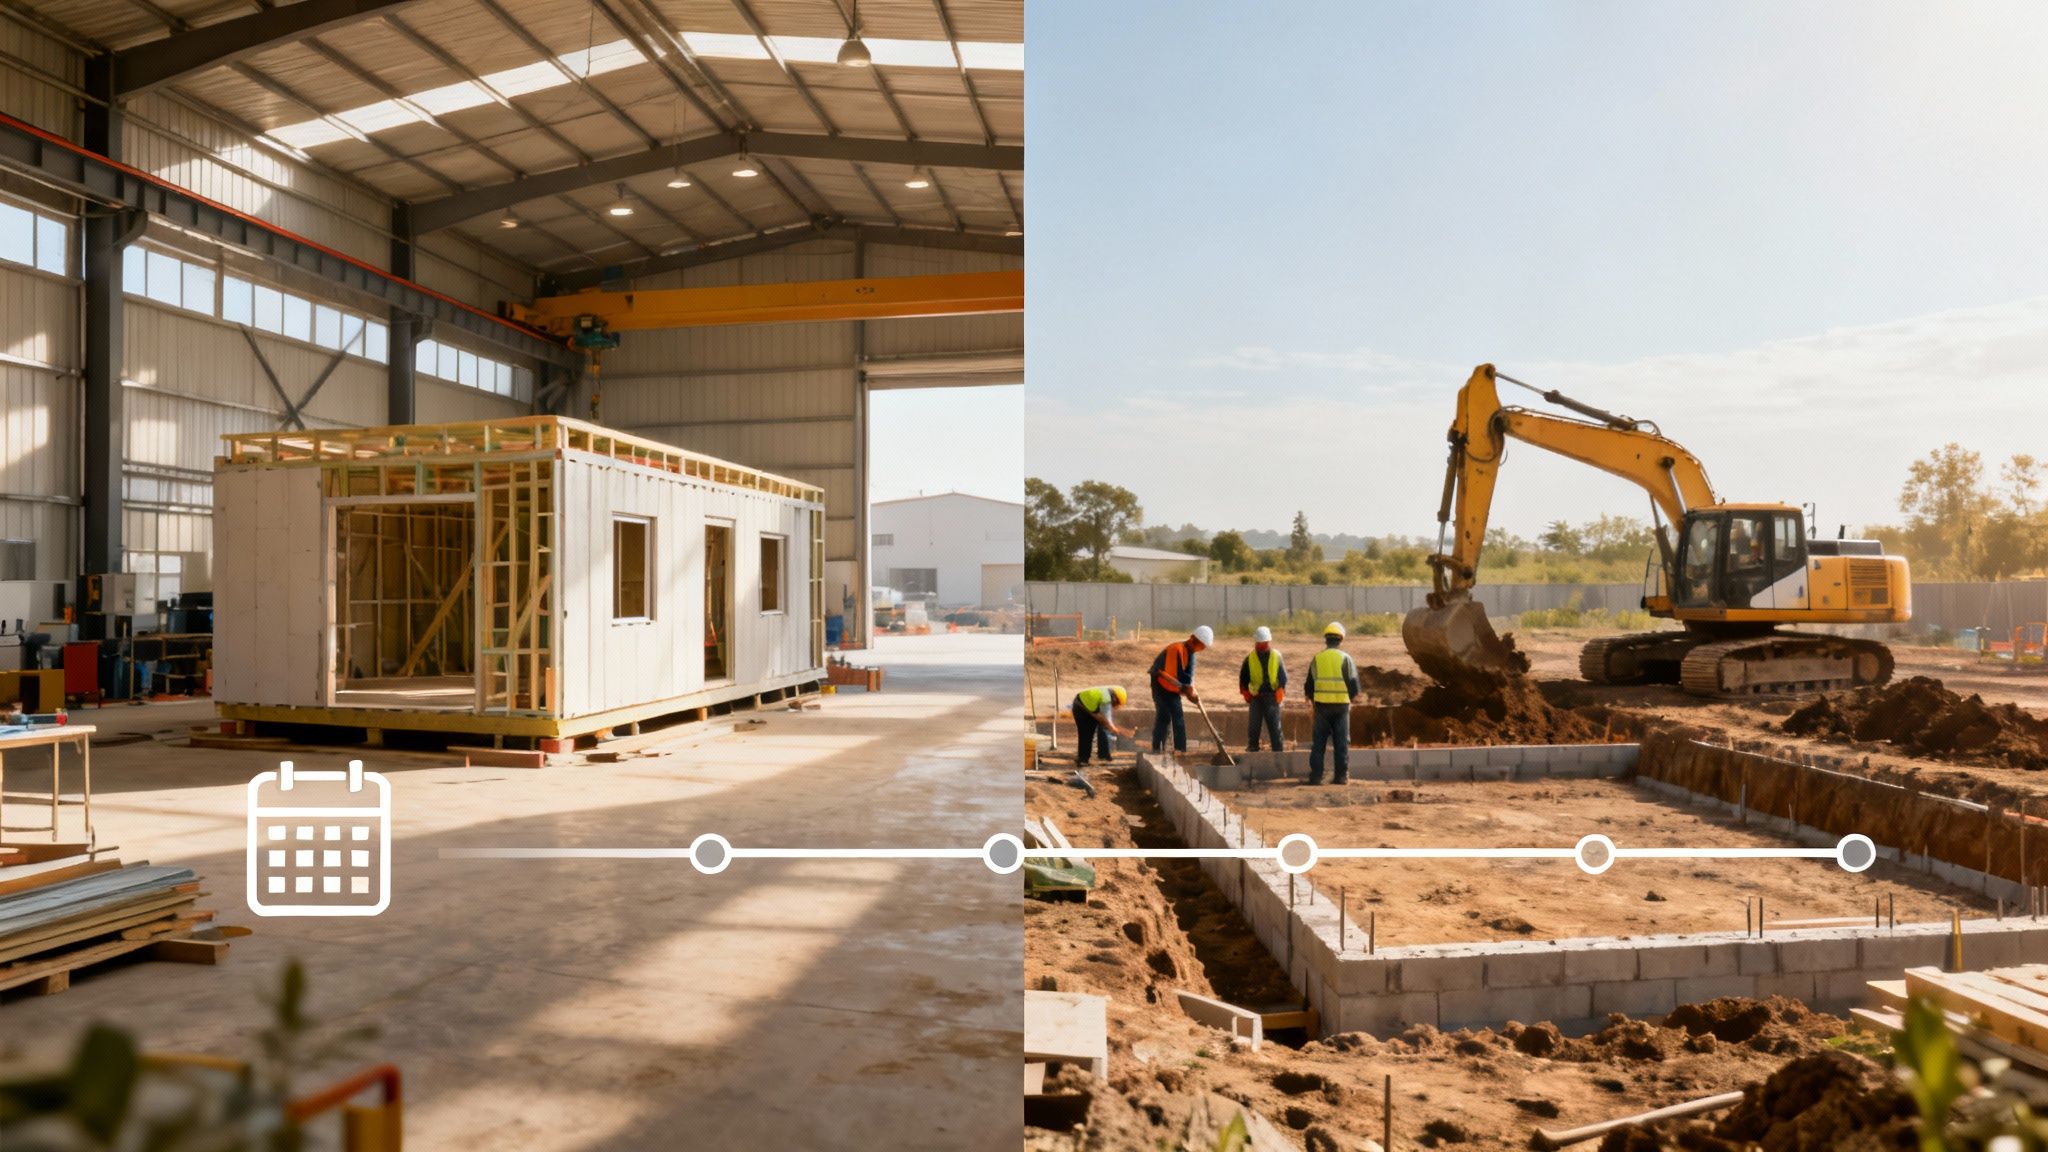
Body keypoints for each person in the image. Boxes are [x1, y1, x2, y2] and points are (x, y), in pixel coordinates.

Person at [1304, 621, 1359, 785]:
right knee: (1341, 743)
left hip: (1321, 707)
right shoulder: (1346, 659)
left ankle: (1315, 777)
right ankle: (1341, 777)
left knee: (1319, 743)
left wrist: (1312, 698)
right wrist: (1349, 698)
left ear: (1326, 640)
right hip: (1341, 707)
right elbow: (1354, 685)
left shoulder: (1318, 659)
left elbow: (1309, 684)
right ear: (1340, 640)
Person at [1149, 625, 1212, 754]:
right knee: (1164, 716)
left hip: (1173, 687)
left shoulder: (1191, 653)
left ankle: (1180, 750)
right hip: (1160, 684)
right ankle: (1157, 749)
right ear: (1195, 640)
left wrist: (1192, 690)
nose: (1202, 649)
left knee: (1178, 717)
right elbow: (1171, 676)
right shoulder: (1176, 649)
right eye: (1202, 646)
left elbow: (1188, 677)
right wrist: (1185, 690)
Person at [1239, 626, 1287, 752]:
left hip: (1271, 696)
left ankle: (1278, 751)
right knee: (1254, 727)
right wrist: (1246, 694)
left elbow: (1283, 678)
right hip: (1256, 697)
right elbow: (1243, 680)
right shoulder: (1250, 658)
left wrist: (1280, 691)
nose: (1262, 645)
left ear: (1268, 642)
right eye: (1260, 643)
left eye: (1264, 643)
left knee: (1275, 727)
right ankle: (1252, 748)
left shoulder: (1276, 656)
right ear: (1256, 642)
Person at [1070, 685, 1130, 767]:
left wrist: (1111, 726)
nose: (1115, 706)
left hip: (1080, 704)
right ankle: (1083, 760)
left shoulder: (1105, 693)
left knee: (1088, 733)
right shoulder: (1107, 700)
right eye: (1117, 703)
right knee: (1086, 734)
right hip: (1082, 709)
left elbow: (1102, 718)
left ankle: (1102, 755)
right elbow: (1106, 720)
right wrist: (1114, 729)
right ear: (1115, 698)